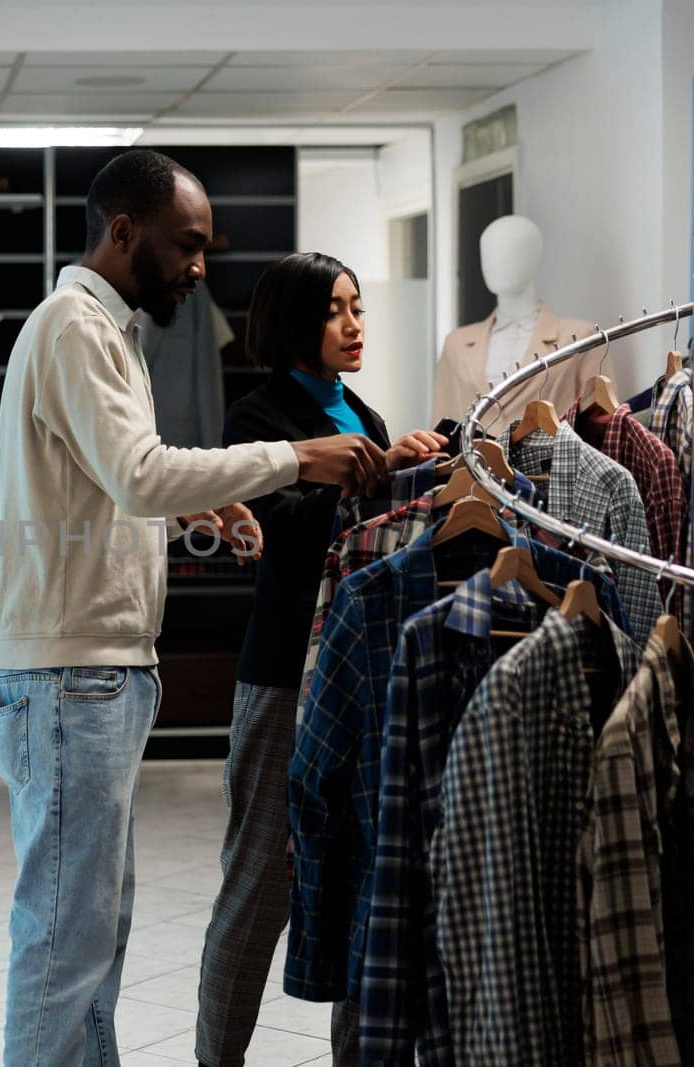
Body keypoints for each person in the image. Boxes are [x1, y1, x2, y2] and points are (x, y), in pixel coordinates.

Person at [0, 149, 389, 1066]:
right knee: (65, 940)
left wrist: (192, 510)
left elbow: (102, 489)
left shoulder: (107, 332)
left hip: (95, 672)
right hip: (70, 674)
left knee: (90, 935)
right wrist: (298, 457)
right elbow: (138, 470)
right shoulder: (75, 330)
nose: (201, 267)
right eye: (187, 245)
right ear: (124, 233)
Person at [193, 252, 446, 1067]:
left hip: (355, 668)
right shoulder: (257, 414)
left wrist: (402, 468)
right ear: (296, 320)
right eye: (335, 309)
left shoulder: (365, 417)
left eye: (359, 307)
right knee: (260, 880)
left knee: (355, 875)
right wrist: (362, 479)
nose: (353, 324)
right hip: (278, 673)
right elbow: (285, 535)